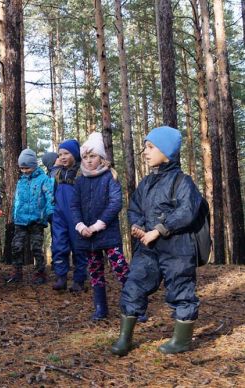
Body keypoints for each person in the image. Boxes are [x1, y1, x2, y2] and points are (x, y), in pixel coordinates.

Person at [111, 126, 202, 356]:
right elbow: (135, 207)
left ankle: (181, 341)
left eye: (151, 147)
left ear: (167, 151)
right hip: (148, 249)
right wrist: (137, 226)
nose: (146, 152)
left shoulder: (183, 182)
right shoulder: (147, 183)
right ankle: (125, 339)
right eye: (145, 147)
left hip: (178, 249)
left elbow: (187, 212)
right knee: (133, 287)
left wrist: (160, 229)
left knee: (181, 291)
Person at [71, 133, 130, 320]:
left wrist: (98, 225)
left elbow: (115, 203)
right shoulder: (79, 181)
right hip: (87, 237)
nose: (88, 161)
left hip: (108, 235)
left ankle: (134, 306)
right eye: (85, 157)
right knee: (95, 271)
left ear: (101, 158)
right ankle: (100, 308)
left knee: (121, 269)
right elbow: (73, 206)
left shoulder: (110, 177)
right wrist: (80, 226)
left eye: (93, 156)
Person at [5, 148, 55, 284]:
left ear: (34, 165)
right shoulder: (21, 181)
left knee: (36, 247)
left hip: (37, 220)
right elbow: (17, 200)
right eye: (22, 168)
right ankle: (16, 272)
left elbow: (50, 197)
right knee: (16, 246)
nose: (25, 171)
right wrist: (15, 216)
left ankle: (40, 273)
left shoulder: (44, 179)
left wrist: (50, 213)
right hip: (20, 220)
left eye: (27, 167)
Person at [51, 139, 88, 292]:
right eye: (60, 154)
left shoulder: (82, 172)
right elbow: (52, 194)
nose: (63, 157)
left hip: (77, 216)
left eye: (67, 153)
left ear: (75, 153)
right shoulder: (58, 173)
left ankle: (79, 280)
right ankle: (61, 277)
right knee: (59, 244)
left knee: (79, 247)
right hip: (59, 215)